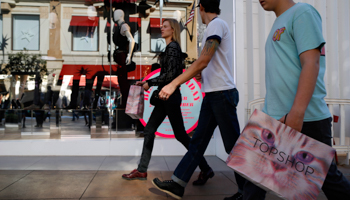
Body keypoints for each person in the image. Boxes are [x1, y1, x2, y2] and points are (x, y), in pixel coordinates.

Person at [239, 1, 350, 200]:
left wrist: (297, 114)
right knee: (253, 182)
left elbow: (311, 62)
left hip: (304, 119)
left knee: (329, 181)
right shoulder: (280, 21)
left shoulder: (302, 13)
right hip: (274, 119)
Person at [151, 1, 246, 199]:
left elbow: (204, 60)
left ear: (201, 7)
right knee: (198, 143)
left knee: (233, 146)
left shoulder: (216, 25)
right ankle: (178, 184)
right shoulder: (215, 26)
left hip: (222, 94)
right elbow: (209, 61)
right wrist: (205, 73)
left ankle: (248, 193)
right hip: (214, 95)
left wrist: (173, 84)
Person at [122, 19, 215, 186]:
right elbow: (168, 74)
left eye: (165, 26)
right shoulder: (170, 48)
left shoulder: (172, 48)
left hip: (169, 98)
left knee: (180, 135)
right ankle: (142, 170)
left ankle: (205, 167)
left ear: (173, 30)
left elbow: (171, 75)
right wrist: (146, 82)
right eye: (162, 26)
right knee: (150, 131)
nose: (161, 28)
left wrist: (149, 83)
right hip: (165, 97)